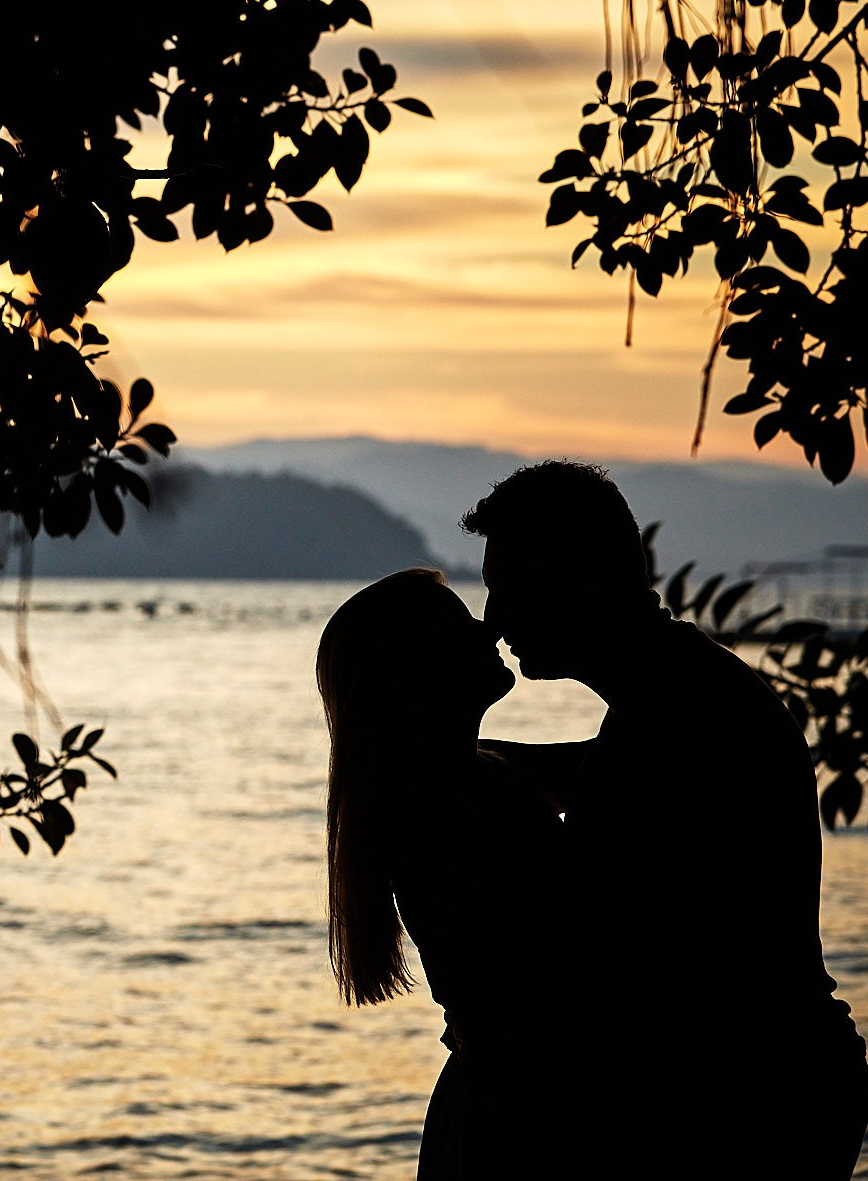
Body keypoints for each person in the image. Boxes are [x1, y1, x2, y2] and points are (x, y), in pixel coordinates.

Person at [465, 460, 868, 1179]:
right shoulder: (679, 690)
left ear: (572, 581)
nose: (493, 620)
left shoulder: (674, 716)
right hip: (785, 1079)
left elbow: (588, 935)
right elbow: (584, 770)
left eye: (509, 588)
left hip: (751, 1104)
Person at [319, 568, 583, 1179]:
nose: (487, 627)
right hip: (522, 1115)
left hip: (489, 1099)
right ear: (422, 666)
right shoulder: (463, 800)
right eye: (459, 622)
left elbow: (603, 767)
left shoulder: (448, 780)